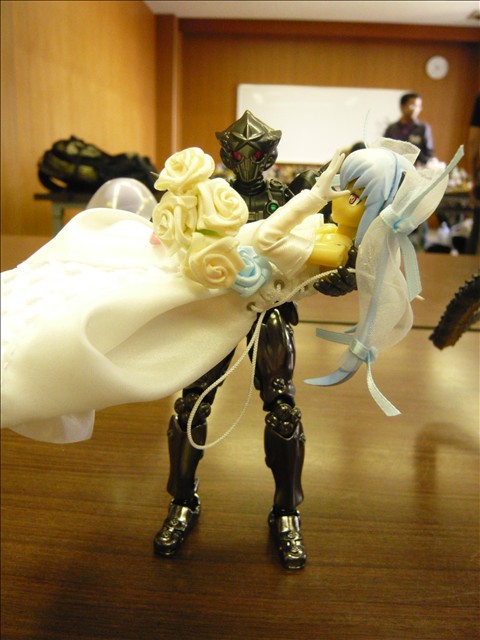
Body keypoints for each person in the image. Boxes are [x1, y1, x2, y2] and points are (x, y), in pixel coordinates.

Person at [0, 136, 461, 569]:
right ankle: (182, 500)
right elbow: (249, 236)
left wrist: (345, 268)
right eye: (238, 151)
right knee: (190, 406)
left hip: (267, 312)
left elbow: (324, 277)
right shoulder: (230, 193)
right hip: (212, 306)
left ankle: (286, 510)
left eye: (257, 153)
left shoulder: (304, 209)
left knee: (282, 411)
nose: (247, 161)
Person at [384, 93, 435, 167]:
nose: (416, 110)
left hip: (416, 169)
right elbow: (384, 149)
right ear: (402, 106)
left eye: (418, 107)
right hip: (395, 168)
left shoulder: (423, 128)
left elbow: (429, 153)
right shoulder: (392, 128)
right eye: (413, 106)